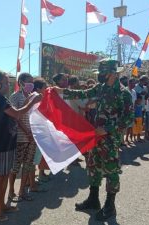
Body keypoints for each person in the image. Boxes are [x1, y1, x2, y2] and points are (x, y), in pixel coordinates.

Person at [54, 59, 133, 221]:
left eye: (103, 73)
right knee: (93, 166)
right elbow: (84, 94)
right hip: (96, 136)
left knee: (111, 170)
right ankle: (93, 199)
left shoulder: (123, 93)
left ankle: (110, 206)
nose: (100, 76)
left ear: (113, 73)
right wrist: (62, 91)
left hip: (110, 139)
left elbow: (128, 119)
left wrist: (108, 128)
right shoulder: (101, 88)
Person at [0, 71, 41, 221]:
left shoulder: (3, 98)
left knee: (4, 175)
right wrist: (33, 100)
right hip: (1, 144)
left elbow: (16, 112)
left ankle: (2, 204)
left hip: (8, 142)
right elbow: (17, 114)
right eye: (5, 83)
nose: (8, 85)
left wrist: (30, 99)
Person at [8, 72, 42, 203]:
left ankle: (22, 191)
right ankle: (11, 191)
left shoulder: (34, 97)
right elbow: (15, 116)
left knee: (28, 165)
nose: (31, 84)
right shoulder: (15, 97)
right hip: (20, 137)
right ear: (21, 82)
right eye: (29, 81)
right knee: (15, 166)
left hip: (32, 138)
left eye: (32, 82)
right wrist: (26, 131)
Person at [125, 78, 137, 143]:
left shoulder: (134, 92)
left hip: (132, 110)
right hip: (125, 110)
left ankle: (128, 138)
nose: (134, 85)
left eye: (134, 83)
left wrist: (133, 110)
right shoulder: (125, 90)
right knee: (125, 125)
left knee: (131, 125)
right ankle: (123, 140)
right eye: (133, 83)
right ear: (129, 83)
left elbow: (134, 102)